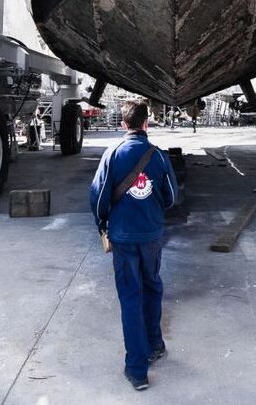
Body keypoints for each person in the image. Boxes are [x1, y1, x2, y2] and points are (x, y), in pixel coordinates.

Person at [90, 99, 180, 391]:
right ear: (146, 124)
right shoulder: (158, 155)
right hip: (152, 236)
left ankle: (137, 370)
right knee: (152, 286)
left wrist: (104, 223)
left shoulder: (112, 154)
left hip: (124, 238)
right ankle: (155, 344)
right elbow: (171, 197)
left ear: (123, 124)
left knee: (130, 297)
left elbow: (99, 197)